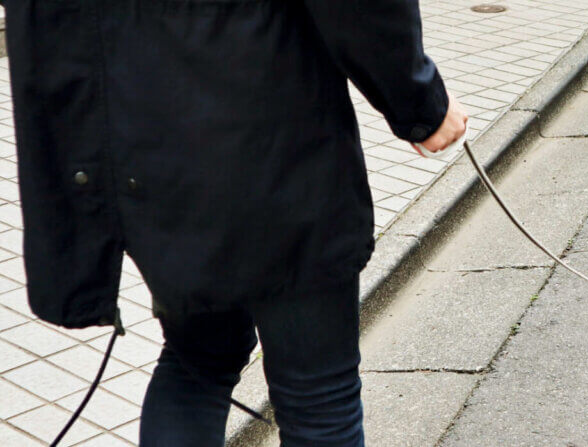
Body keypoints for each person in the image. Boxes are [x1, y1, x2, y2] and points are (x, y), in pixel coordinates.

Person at [3, 0, 467, 445]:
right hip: (281, 141)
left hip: (149, 147)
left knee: (197, 362)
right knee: (317, 391)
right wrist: (420, 103)